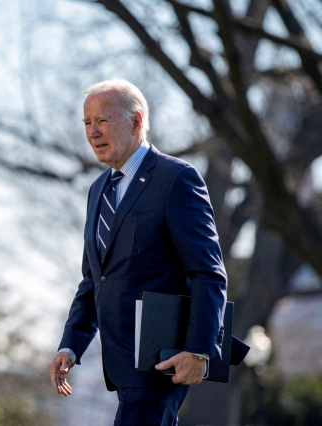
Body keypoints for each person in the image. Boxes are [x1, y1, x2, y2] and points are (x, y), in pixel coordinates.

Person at [49, 80, 227, 425]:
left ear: (135, 121)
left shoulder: (177, 178)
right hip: (120, 365)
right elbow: (94, 280)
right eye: (87, 123)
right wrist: (70, 346)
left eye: (103, 120)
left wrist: (199, 350)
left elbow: (208, 272)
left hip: (162, 361)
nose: (93, 132)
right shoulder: (97, 189)